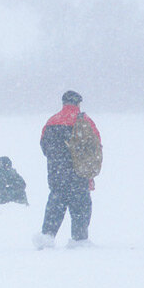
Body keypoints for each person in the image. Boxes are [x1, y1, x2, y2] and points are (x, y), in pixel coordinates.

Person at [33, 91, 101, 249]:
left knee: (56, 204)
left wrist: (58, 160)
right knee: (81, 207)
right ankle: (79, 240)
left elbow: (44, 147)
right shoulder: (85, 121)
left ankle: (47, 237)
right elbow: (96, 146)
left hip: (57, 173)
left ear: (63, 103)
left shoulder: (51, 121)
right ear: (78, 103)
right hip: (79, 173)